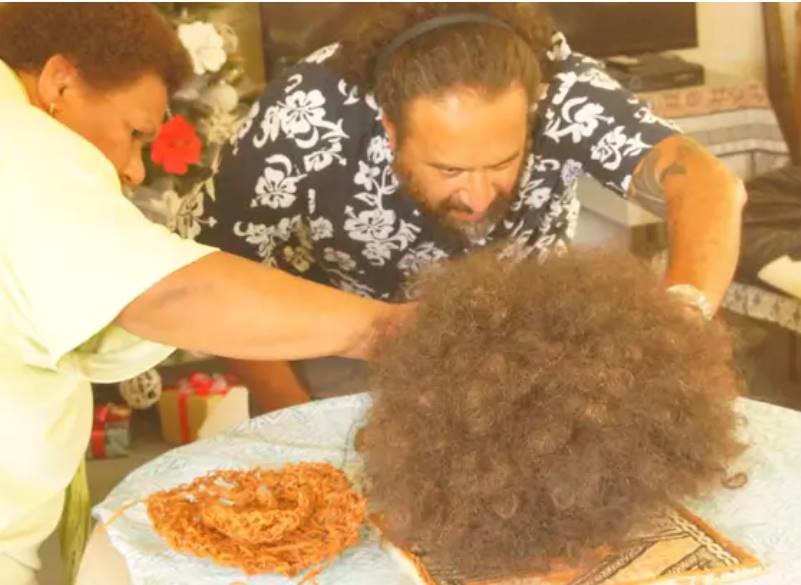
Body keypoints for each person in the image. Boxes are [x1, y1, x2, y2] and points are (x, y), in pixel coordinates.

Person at [0, 5, 411, 583]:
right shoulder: (23, 147)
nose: (135, 170)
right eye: (134, 134)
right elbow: (170, 296)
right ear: (59, 82)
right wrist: (387, 330)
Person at [196, 3, 747, 408]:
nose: (480, 199)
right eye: (449, 170)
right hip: (344, 350)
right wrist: (293, 420)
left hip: (529, 336)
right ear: (389, 127)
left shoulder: (563, 91)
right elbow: (209, 275)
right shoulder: (308, 113)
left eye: (504, 162)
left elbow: (709, 186)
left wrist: (683, 316)